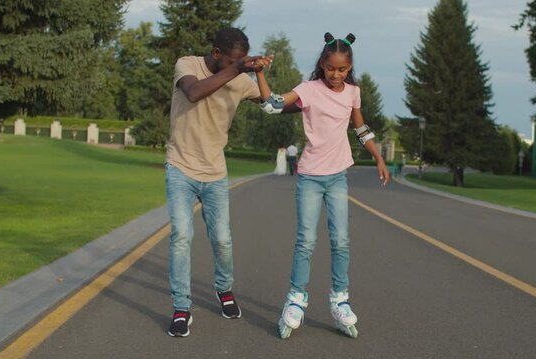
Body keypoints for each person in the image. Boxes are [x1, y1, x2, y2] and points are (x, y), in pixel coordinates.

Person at [255, 32, 390, 339]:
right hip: (311, 176)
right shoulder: (309, 90)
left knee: (341, 239)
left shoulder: (353, 92)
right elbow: (272, 105)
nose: (336, 74)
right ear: (322, 64)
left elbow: (361, 129)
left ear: (349, 67)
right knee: (306, 240)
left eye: (342, 69)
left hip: (338, 176)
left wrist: (379, 158)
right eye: (331, 68)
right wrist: (259, 72)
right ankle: (296, 299)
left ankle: (340, 299)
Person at [165, 27, 266, 337]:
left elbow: (270, 102)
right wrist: (238, 68)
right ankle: (181, 308)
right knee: (181, 236)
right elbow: (194, 92)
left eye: (243, 60)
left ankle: (225, 291)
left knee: (221, 239)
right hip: (180, 166)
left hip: (215, 172)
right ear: (217, 53)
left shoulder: (239, 79)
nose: (239, 65)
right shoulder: (188, 64)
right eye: (234, 60)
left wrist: (314, 93)